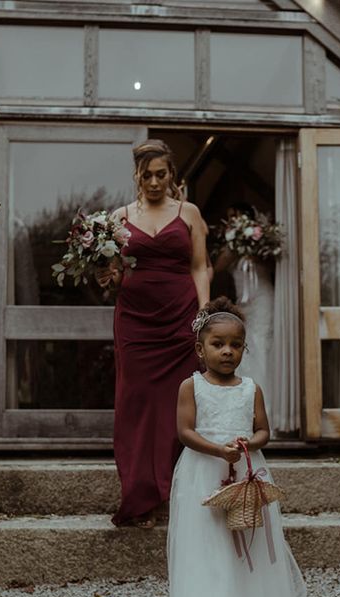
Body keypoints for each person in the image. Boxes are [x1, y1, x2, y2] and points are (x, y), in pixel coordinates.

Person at [167, 296, 306, 597]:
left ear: (245, 348)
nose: (227, 351)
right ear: (200, 349)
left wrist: (249, 444)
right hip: (204, 470)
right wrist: (217, 450)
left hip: (245, 470)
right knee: (209, 544)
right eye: (218, 344)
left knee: (248, 546)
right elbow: (184, 432)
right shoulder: (191, 386)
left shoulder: (250, 388)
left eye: (236, 345)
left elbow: (264, 431)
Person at [98, 138, 210, 528]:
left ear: (171, 174)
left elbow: (200, 266)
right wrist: (108, 275)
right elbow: (114, 271)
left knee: (177, 406)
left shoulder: (189, 213)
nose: (154, 181)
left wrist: (204, 313)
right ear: (137, 176)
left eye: (161, 174)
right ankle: (139, 495)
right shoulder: (119, 217)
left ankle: (174, 493)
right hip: (135, 322)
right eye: (147, 175)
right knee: (136, 403)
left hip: (180, 319)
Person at [211, 203, 275, 420]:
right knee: (244, 350)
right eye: (229, 217)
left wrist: (253, 246)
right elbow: (217, 267)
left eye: (235, 216)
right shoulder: (230, 245)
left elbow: (275, 262)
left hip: (263, 299)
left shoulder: (263, 242)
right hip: (242, 304)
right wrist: (236, 243)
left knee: (263, 347)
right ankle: (244, 411)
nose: (231, 221)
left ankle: (269, 411)